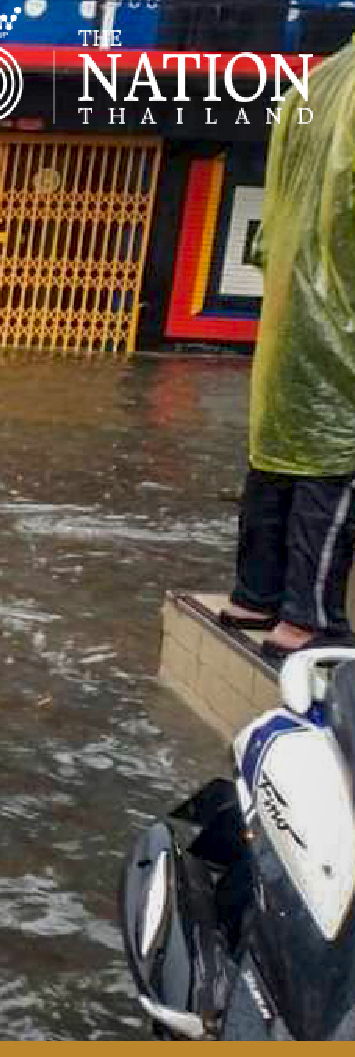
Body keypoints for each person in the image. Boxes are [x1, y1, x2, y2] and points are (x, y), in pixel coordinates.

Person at [222, 40, 355, 663]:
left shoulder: (313, 83)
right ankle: (308, 621)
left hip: (289, 312)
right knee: (337, 461)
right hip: (342, 315)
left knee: (278, 458)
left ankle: (254, 598)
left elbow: (274, 211)